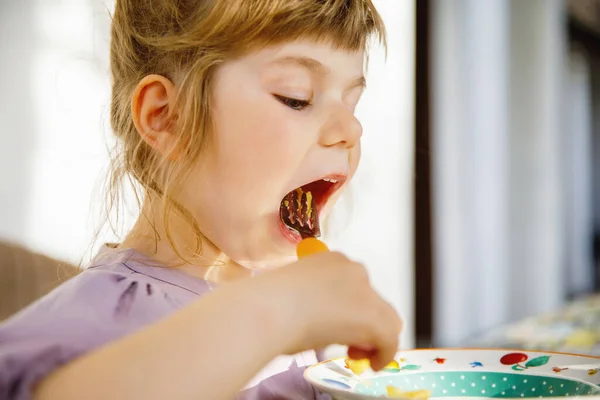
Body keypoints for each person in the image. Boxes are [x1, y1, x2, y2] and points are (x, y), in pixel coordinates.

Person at [0, 1, 403, 399]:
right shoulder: (96, 326)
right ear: (167, 118)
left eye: (352, 103)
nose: (352, 128)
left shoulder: (296, 318)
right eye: (295, 97)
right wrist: (281, 309)